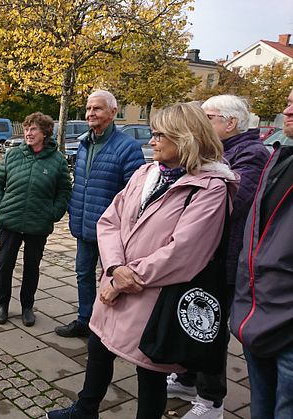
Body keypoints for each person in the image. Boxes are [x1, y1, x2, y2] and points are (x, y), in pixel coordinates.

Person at [46, 103, 238, 419]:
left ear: (186, 137)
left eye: (160, 135)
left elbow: (184, 253)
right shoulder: (146, 173)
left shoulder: (210, 188)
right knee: (98, 347)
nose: (152, 142)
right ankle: (85, 409)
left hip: (153, 296)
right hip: (117, 280)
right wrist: (114, 268)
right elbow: (109, 221)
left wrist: (124, 279)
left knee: (150, 371)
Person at [165, 95, 269, 418]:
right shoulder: (222, 151)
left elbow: (231, 205)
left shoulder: (250, 154)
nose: (202, 123)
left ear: (231, 122)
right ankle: (186, 378)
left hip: (226, 260)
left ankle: (212, 400)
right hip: (206, 255)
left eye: (208, 117)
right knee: (191, 320)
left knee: (211, 327)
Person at [56, 89, 145, 338]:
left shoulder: (128, 148)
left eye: (97, 108)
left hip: (111, 231)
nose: (90, 113)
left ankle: (109, 326)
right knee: (83, 273)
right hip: (84, 224)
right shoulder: (85, 143)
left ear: (113, 112)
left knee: (112, 279)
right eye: (88, 108)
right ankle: (86, 320)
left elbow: (133, 194)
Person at [230, 88, 293, 419]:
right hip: (257, 311)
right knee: (261, 405)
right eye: (289, 101)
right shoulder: (279, 156)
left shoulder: (257, 155)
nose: (287, 109)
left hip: (286, 320)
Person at [0, 112, 71, 327]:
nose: (28, 132)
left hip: (38, 223)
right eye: (26, 129)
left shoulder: (57, 160)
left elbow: (64, 191)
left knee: (31, 267)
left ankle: (27, 306)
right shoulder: (12, 155)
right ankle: (2, 304)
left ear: (44, 133)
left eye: (33, 129)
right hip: (10, 220)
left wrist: (53, 213)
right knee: (4, 265)